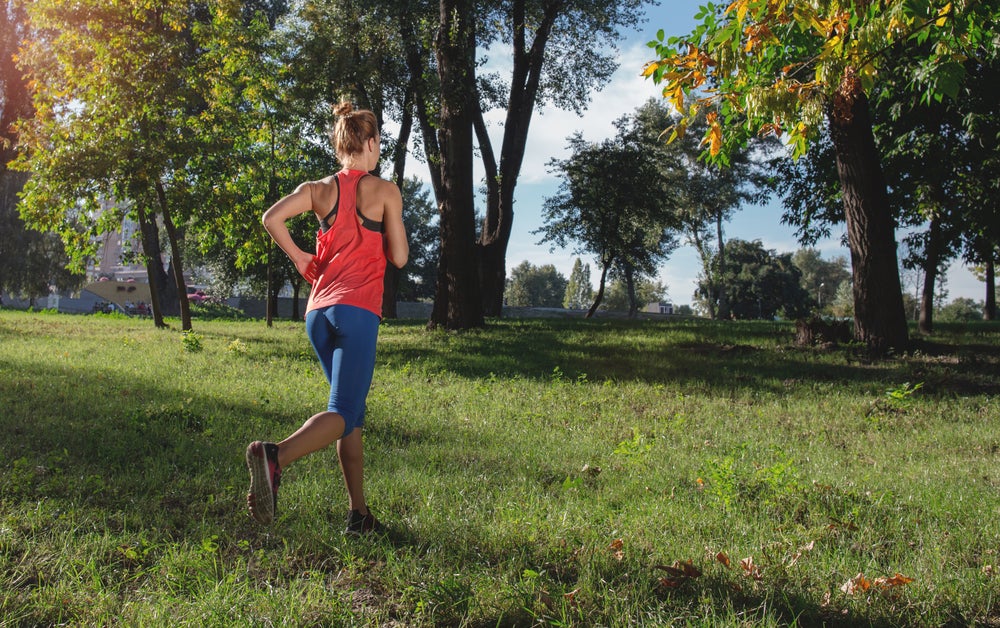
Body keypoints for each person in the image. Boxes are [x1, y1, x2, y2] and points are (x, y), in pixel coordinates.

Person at [246, 101, 408, 535]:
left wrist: (301, 257)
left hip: (318, 314)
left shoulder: (318, 189)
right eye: (378, 143)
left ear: (340, 147)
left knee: (350, 418)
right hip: (357, 312)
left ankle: (359, 515)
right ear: (370, 143)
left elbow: (272, 218)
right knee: (343, 411)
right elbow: (399, 256)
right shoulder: (385, 191)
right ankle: (275, 456)